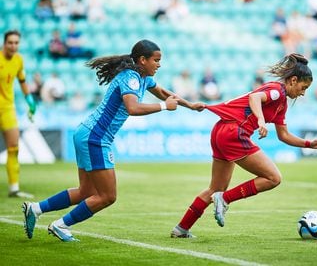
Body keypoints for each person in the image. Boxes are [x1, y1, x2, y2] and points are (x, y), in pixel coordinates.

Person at [22, 39, 205, 242]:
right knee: (107, 196)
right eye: (156, 60)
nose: (159, 64)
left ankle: (35, 209)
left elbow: (162, 93)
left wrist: (189, 105)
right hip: (96, 137)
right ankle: (60, 225)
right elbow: (133, 108)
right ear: (143, 60)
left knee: (86, 191)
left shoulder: (143, 77)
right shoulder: (131, 78)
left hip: (87, 132)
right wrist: (164, 107)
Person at [170, 53, 317, 238]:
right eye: (303, 87)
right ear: (293, 80)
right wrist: (261, 120)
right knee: (273, 178)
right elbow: (255, 98)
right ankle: (224, 199)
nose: (303, 93)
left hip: (221, 131)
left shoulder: (282, 104)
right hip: (234, 132)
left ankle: (181, 229)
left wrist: (309, 144)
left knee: (215, 188)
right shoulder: (277, 90)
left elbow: (284, 135)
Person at [0, 30, 36, 198]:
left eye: (16, 43)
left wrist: (30, 101)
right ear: (4, 43)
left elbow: (22, 82)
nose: (13, 46)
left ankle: (14, 187)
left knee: (14, 147)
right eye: (10, 42)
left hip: (7, 108)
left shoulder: (18, 60)